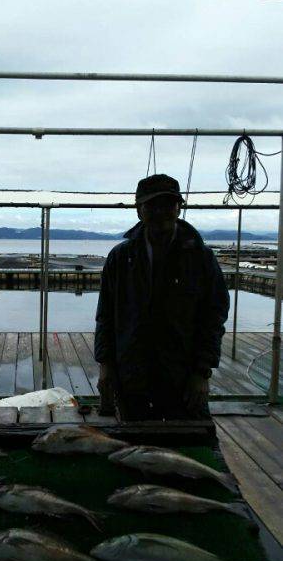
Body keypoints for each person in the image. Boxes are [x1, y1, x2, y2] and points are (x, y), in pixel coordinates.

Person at [95, 173, 229, 420]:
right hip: (132, 374)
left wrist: (202, 372)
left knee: (193, 445)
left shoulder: (201, 258)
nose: (160, 212)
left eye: (168, 204)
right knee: (134, 448)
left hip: (184, 375)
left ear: (179, 208)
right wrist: (105, 365)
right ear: (139, 210)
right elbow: (105, 316)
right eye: (152, 205)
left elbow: (214, 316)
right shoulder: (119, 257)